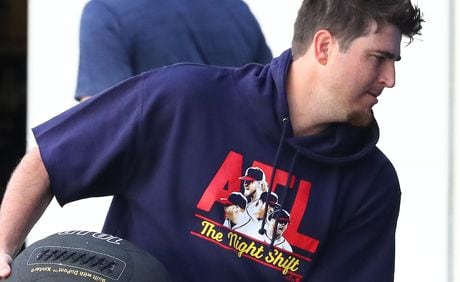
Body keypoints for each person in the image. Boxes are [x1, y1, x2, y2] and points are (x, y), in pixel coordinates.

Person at [0, 0, 423, 281]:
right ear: (325, 46)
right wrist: (2, 249)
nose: (390, 79)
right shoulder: (182, 97)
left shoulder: (372, 184)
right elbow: (51, 161)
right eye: (378, 58)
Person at [75, 0, 273, 101]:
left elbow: (99, 132)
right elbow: (273, 101)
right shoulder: (237, 9)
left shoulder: (106, 13)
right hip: (234, 173)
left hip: (159, 176)